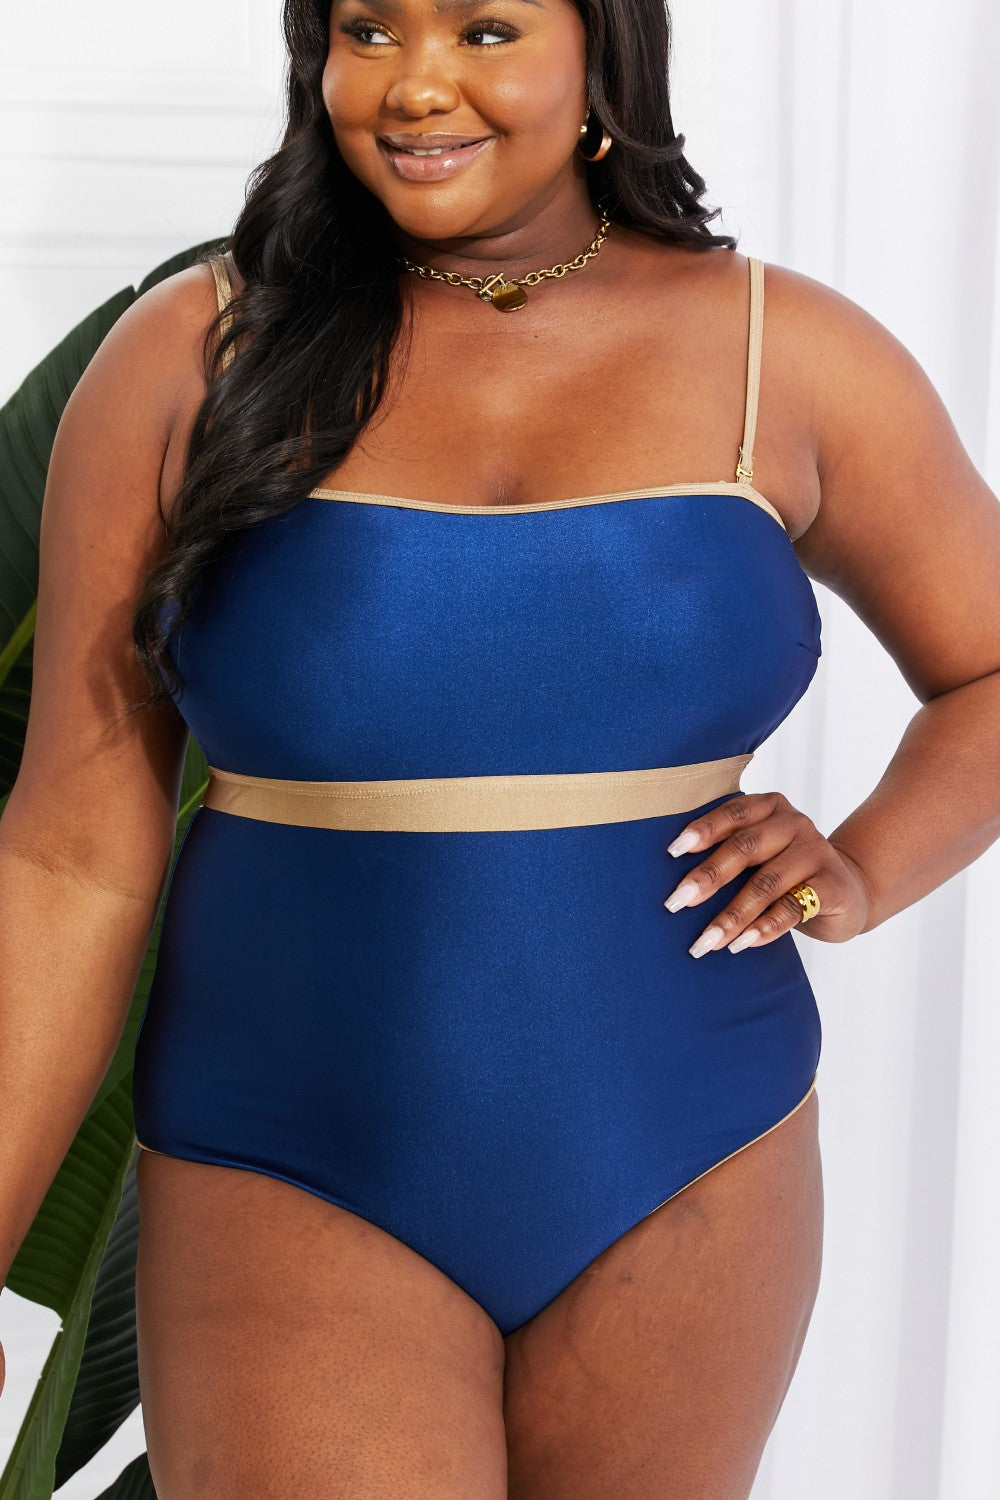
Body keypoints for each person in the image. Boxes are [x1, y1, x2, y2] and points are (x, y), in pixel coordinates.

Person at [2, 0, 999, 1493]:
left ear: (603, 52)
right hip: (289, 1158)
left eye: (482, 29)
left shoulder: (782, 352)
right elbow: (70, 860)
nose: (416, 85)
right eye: (369, 29)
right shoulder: (192, 358)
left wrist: (861, 866)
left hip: (691, 1148)